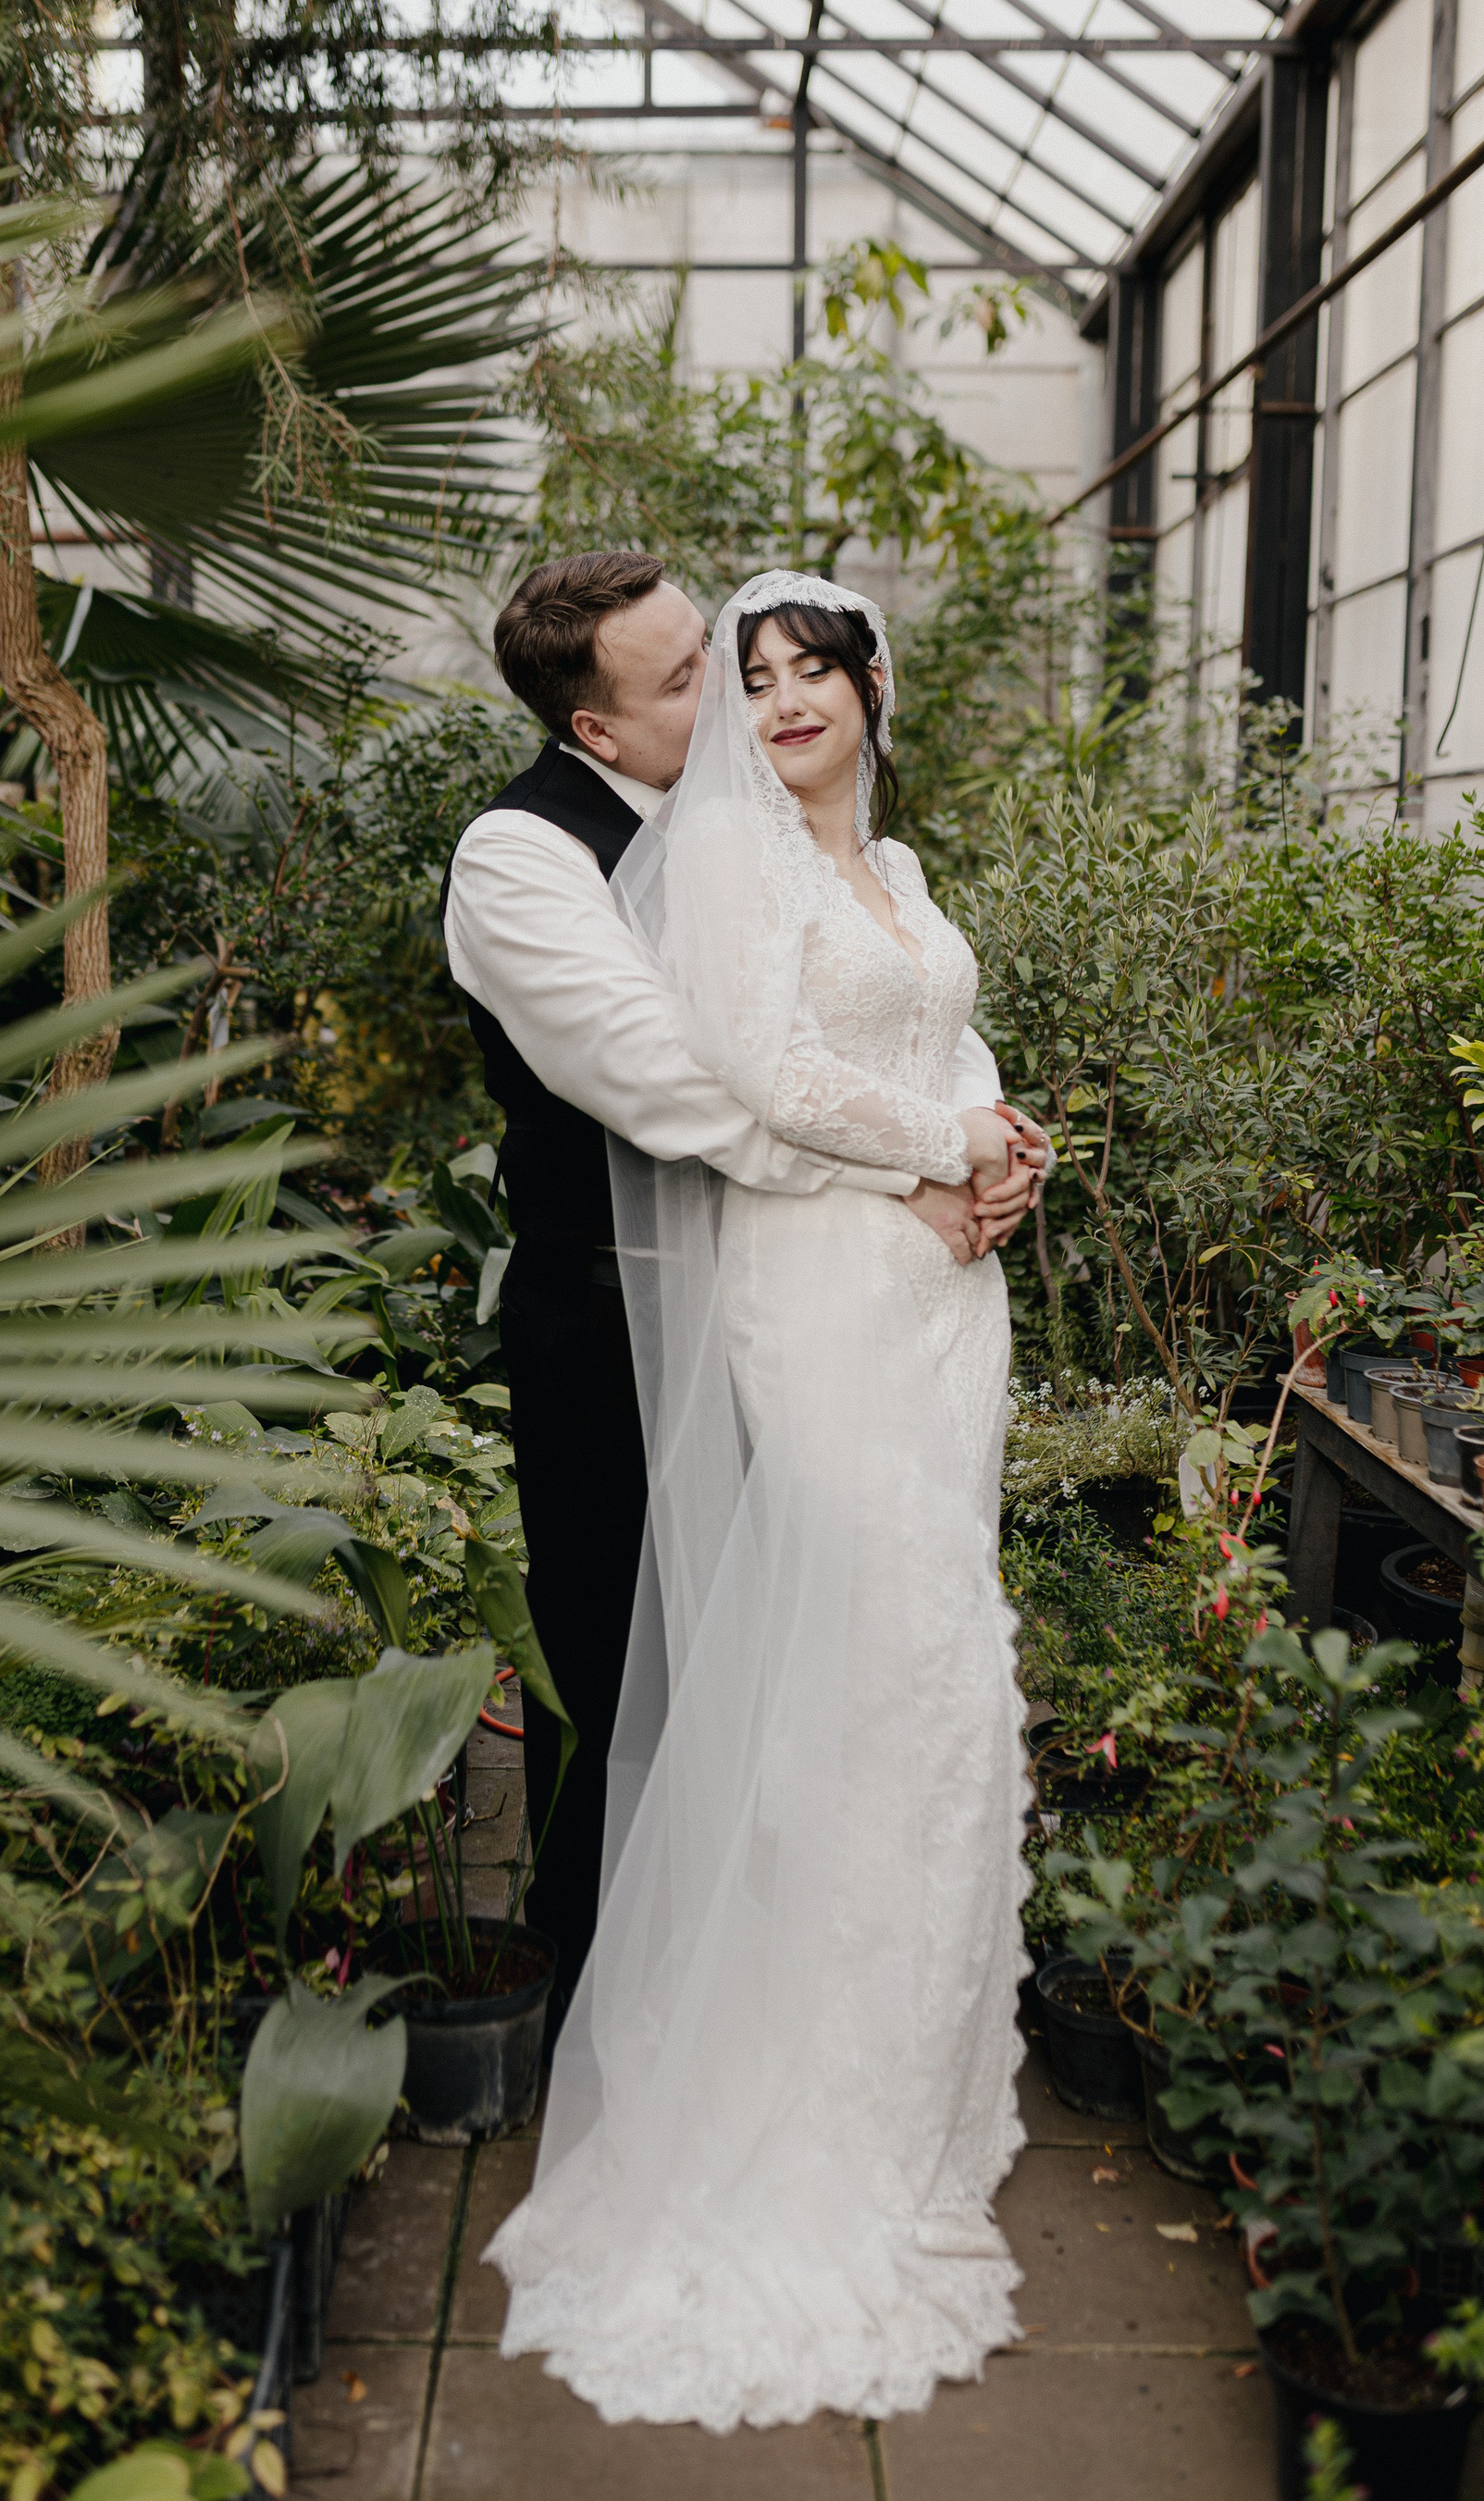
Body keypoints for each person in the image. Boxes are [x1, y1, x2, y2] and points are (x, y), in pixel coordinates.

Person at [483, 569, 1045, 2431]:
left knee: (915, 1684)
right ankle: (739, 2093)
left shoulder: (871, 855)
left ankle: (905, 2078)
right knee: (751, 1692)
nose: (750, 701)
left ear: (875, 684)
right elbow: (709, 1086)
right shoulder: (546, 853)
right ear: (600, 719)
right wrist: (932, 1155)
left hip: (930, 1302)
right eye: (713, 676)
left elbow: (929, 1028)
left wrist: (995, 1146)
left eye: (802, 668)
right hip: (716, 1304)